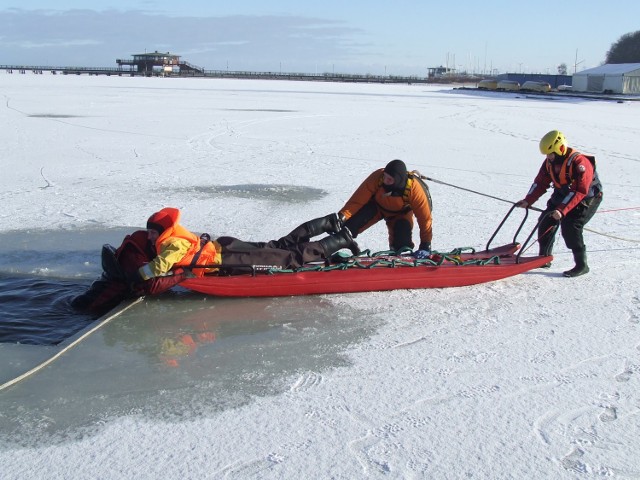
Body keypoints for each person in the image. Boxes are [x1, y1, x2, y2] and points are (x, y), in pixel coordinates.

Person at [137, 207, 360, 280]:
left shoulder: (172, 243)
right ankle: (328, 223)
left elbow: (161, 266)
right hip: (225, 246)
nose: (149, 237)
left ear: (162, 232)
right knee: (278, 246)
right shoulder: (175, 235)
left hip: (227, 258)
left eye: (151, 233)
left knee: (287, 258)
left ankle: (339, 239)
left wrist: (140, 274)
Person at [516, 130, 603, 277]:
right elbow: (540, 183)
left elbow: (579, 191)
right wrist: (528, 200)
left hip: (586, 198)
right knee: (545, 220)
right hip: (563, 193)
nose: (548, 157)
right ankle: (544, 258)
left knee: (571, 226)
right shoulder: (549, 163)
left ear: (560, 148)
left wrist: (562, 210)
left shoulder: (580, 163)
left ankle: (581, 265)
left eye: (551, 153)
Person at [71, 230, 186, 315]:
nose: (151, 237)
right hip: (89, 307)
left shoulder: (144, 247)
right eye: (151, 234)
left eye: (154, 234)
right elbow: (149, 286)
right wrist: (183, 275)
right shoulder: (133, 256)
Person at [339, 159, 433, 257]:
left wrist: (425, 245)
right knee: (348, 228)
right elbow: (357, 200)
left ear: (398, 180)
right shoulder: (378, 177)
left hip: (400, 213)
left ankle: (399, 258)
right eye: (385, 177)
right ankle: (324, 249)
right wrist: (341, 217)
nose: (385, 181)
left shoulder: (415, 189)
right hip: (376, 206)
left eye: (390, 179)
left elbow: (425, 220)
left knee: (402, 240)